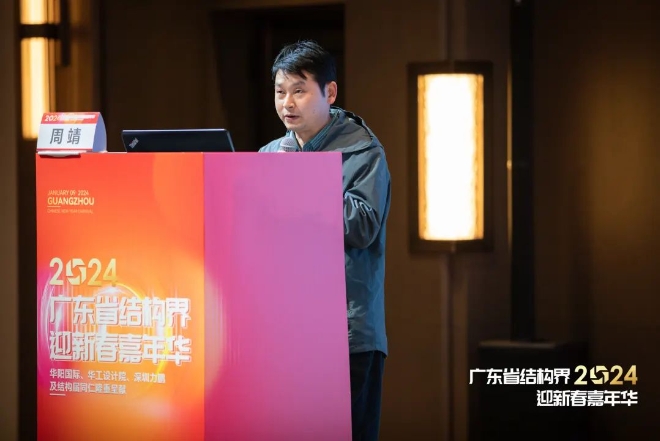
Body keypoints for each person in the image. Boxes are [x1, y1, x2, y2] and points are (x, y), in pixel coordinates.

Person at [259, 40, 391, 441]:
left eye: (299, 91)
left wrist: (303, 181)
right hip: (285, 329)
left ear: (329, 92)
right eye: (280, 92)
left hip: (347, 334)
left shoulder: (363, 151)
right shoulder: (270, 154)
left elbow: (363, 225)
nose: (287, 103)